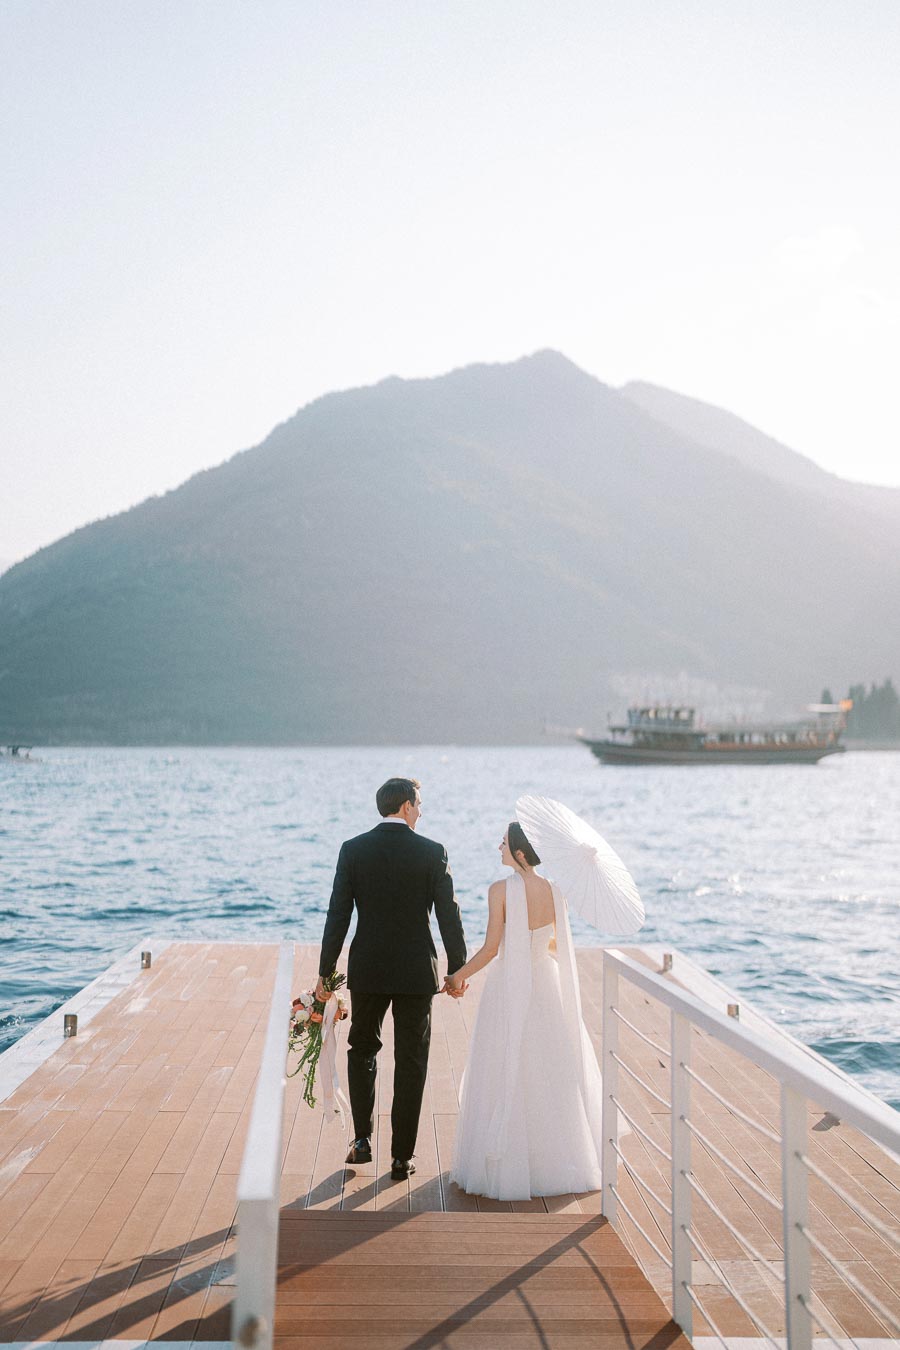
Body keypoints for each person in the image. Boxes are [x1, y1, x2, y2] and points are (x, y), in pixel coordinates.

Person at [314, 777, 467, 1180]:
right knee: (411, 1061)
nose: (420, 812)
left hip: (368, 968)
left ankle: (361, 1140)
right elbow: (449, 916)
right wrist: (458, 969)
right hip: (417, 972)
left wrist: (325, 973)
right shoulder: (433, 853)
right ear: (404, 806)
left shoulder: (353, 850)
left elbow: (338, 916)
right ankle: (402, 1157)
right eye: (418, 804)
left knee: (362, 1049)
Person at [444, 820, 605, 1200]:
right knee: (548, 1069)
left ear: (519, 852)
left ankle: (509, 1162)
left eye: (503, 843)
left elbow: (490, 949)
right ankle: (553, 1160)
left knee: (503, 1064)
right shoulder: (555, 891)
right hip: (545, 982)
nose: (497, 846)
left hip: (508, 985)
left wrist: (456, 977)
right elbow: (550, 944)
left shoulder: (499, 890)